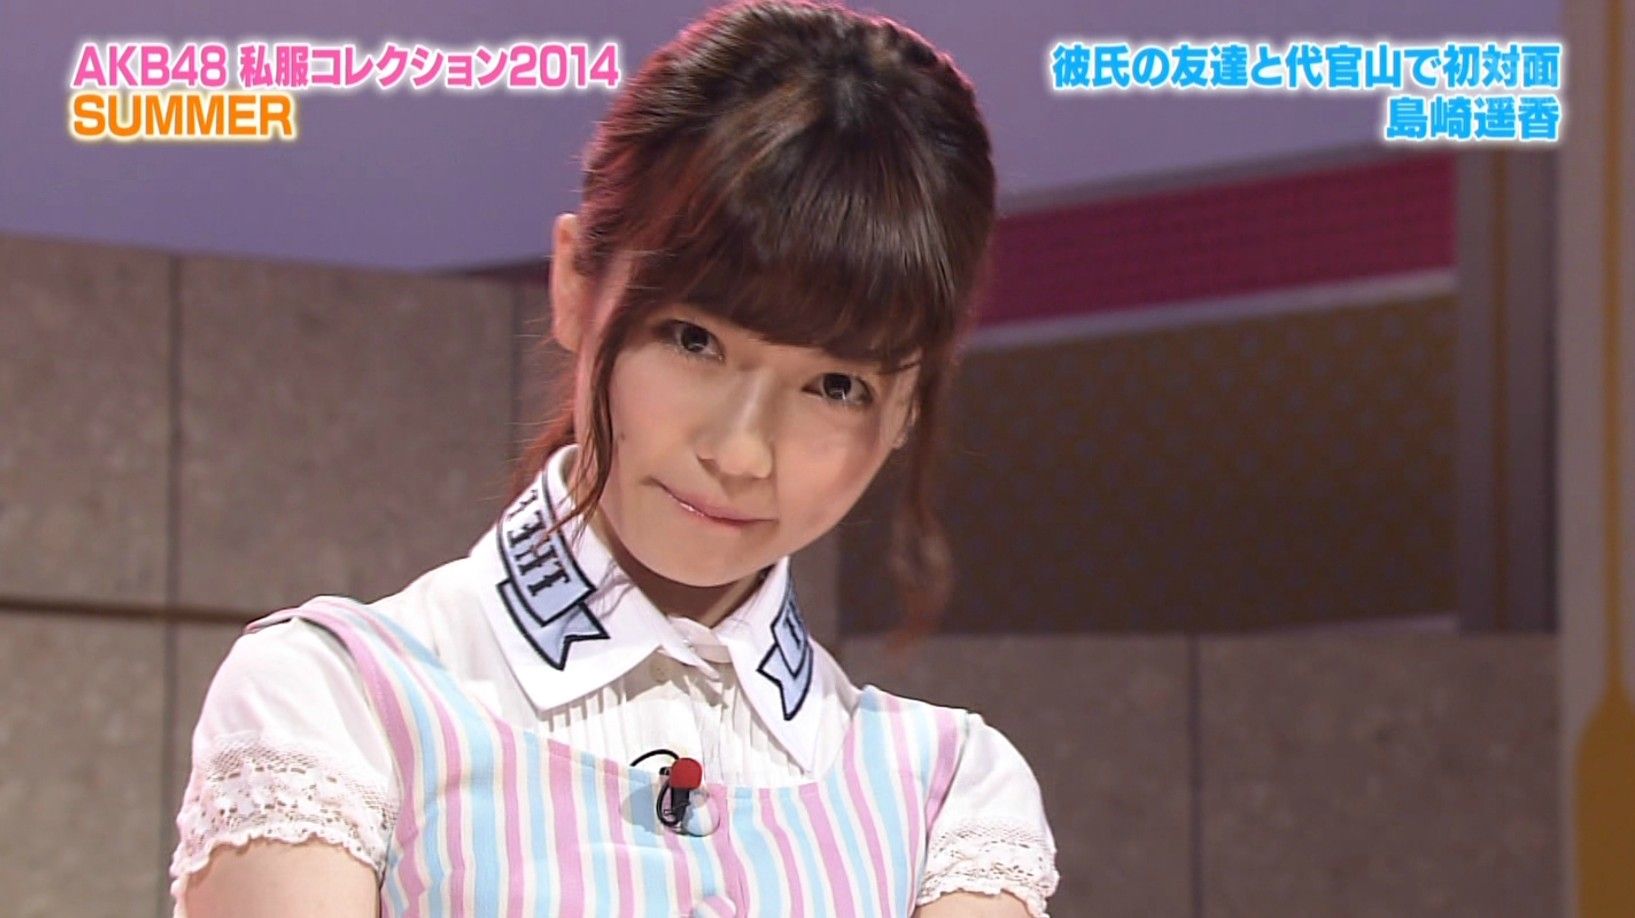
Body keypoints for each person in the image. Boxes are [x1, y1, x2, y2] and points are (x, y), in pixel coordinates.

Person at [169, 1, 1060, 915]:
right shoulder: (337, 702)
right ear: (573, 283)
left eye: (836, 386)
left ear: (911, 402)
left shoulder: (949, 795)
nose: (740, 453)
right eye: (693, 339)